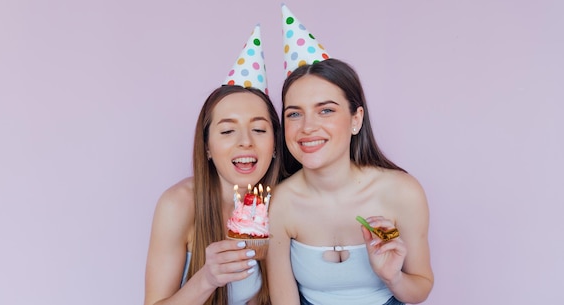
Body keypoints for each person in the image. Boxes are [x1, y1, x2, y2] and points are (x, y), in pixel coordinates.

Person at [266, 58, 434, 305]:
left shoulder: (403, 192)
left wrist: (393, 278)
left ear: (356, 119)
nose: (307, 127)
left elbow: (421, 288)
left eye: (326, 110)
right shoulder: (279, 203)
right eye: (294, 114)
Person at [144, 25, 282, 305]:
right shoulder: (179, 205)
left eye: (259, 129)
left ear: (276, 143)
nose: (245, 142)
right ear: (207, 146)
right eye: (227, 131)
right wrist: (207, 278)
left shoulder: (289, 201)